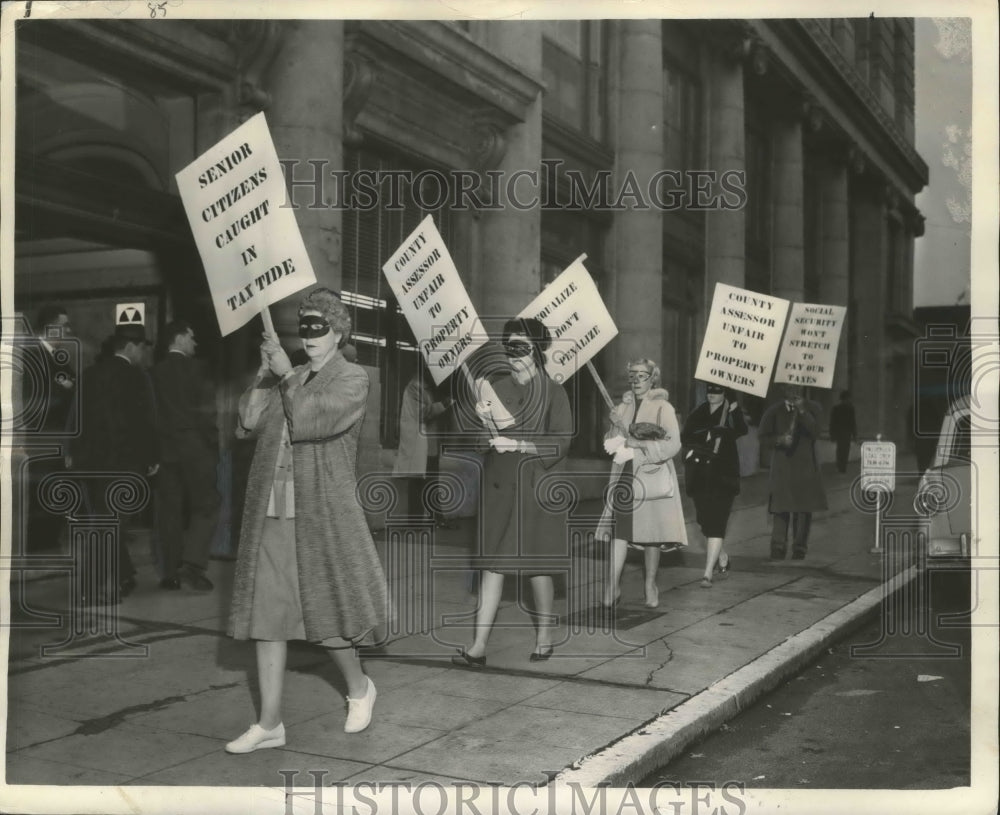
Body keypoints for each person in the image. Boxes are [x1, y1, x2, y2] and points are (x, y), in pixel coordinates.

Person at [225, 288, 387, 753]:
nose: (311, 336)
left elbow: (317, 419)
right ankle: (269, 722)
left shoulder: (352, 379)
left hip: (321, 514)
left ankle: (359, 688)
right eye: (306, 328)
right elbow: (248, 421)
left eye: (322, 328)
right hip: (273, 511)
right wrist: (264, 374)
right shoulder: (287, 374)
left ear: (339, 333)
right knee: (267, 616)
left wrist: (286, 378)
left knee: (326, 612)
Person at [451, 317, 572, 666]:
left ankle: (545, 637)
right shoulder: (495, 385)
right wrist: (481, 420)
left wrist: (518, 442)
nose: (514, 354)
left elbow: (560, 443)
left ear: (536, 350)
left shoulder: (553, 392)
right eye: (510, 347)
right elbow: (476, 441)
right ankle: (478, 647)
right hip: (498, 486)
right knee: (491, 565)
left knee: (537, 566)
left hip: (533, 487)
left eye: (521, 347)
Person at [73, 324, 159, 603]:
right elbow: (147, 422)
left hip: (92, 464)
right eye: (143, 348)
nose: (145, 354)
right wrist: (151, 458)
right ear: (131, 347)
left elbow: (76, 418)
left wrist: (76, 455)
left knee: (101, 521)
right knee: (113, 525)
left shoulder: (90, 374)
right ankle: (100, 588)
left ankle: (119, 576)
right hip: (125, 463)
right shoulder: (138, 377)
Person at [599, 358, 687, 609]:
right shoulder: (623, 407)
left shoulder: (663, 408)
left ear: (653, 379)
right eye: (633, 375)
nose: (636, 381)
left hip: (650, 475)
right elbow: (610, 442)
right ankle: (612, 586)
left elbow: (673, 444)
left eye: (642, 376)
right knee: (620, 532)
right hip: (625, 475)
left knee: (651, 536)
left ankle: (650, 584)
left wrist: (640, 446)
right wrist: (615, 428)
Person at [151, 320, 220, 591]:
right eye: (191, 337)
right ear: (178, 338)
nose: (195, 343)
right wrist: (213, 445)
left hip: (165, 450)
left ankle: (170, 574)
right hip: (196, 448)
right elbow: (207, 414)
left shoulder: (153, 372)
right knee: (208, 504)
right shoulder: (199, 369)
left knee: (169, 511)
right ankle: (192, 565)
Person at [16, 305, 78, 554]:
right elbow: (37, 396)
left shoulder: (57, 356)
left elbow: (74, 385)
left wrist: (67, 385)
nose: (68, 330)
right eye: (64, 325)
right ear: (50, 326)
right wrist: (64, 387)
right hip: (42, 436)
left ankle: (48, 543)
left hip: (58, 436)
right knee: (42, 490)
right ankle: (37, 546)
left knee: (55, 488)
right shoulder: (33, 354)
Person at [681, 383, 748, 588]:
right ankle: (722, 556)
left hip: (723, 475)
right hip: (700, 475)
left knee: (717, 523)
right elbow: (685, 436)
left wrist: (732, 415)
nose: (712, 395)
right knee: (704, 521)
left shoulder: (730, 411)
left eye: (717, 392)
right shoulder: (699, 411)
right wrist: (707, 435)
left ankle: (707, 574)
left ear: (725, 393)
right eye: (710, 391)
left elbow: (741, 430)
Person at [758, 384, 827, 561]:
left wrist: (803, 412)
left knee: (803, 510)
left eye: (797, 386)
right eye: (789, 387)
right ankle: (777, 547)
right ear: (783, 389)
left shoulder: (814, 408)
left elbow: (816, 432)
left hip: (805, 469)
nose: (793, 390)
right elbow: (763, 436)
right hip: (783, 468)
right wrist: (779, 440)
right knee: (780, 508)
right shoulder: (774, 411)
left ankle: (799, 548)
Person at [392, 363, 453, 520]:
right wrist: (443, 404)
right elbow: (422, 413)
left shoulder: (426, 388)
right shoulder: (415, 388)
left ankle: (435, 518)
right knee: (418, 483)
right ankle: (417, 520)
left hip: (428, 443)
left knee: (430, 482)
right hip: (419, 443)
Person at [829, 390, 857, 474]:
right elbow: (852, 423)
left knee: (841, 450)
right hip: (844, 433)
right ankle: (841, 468)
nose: (850, 400)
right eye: (848, 398)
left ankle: (841, 467)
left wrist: (832, 434)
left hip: (842, 433)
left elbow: (832, 422)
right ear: (845, 398)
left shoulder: (838, 408)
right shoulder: (849, 408)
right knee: (843, 450)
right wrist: (855, 435)